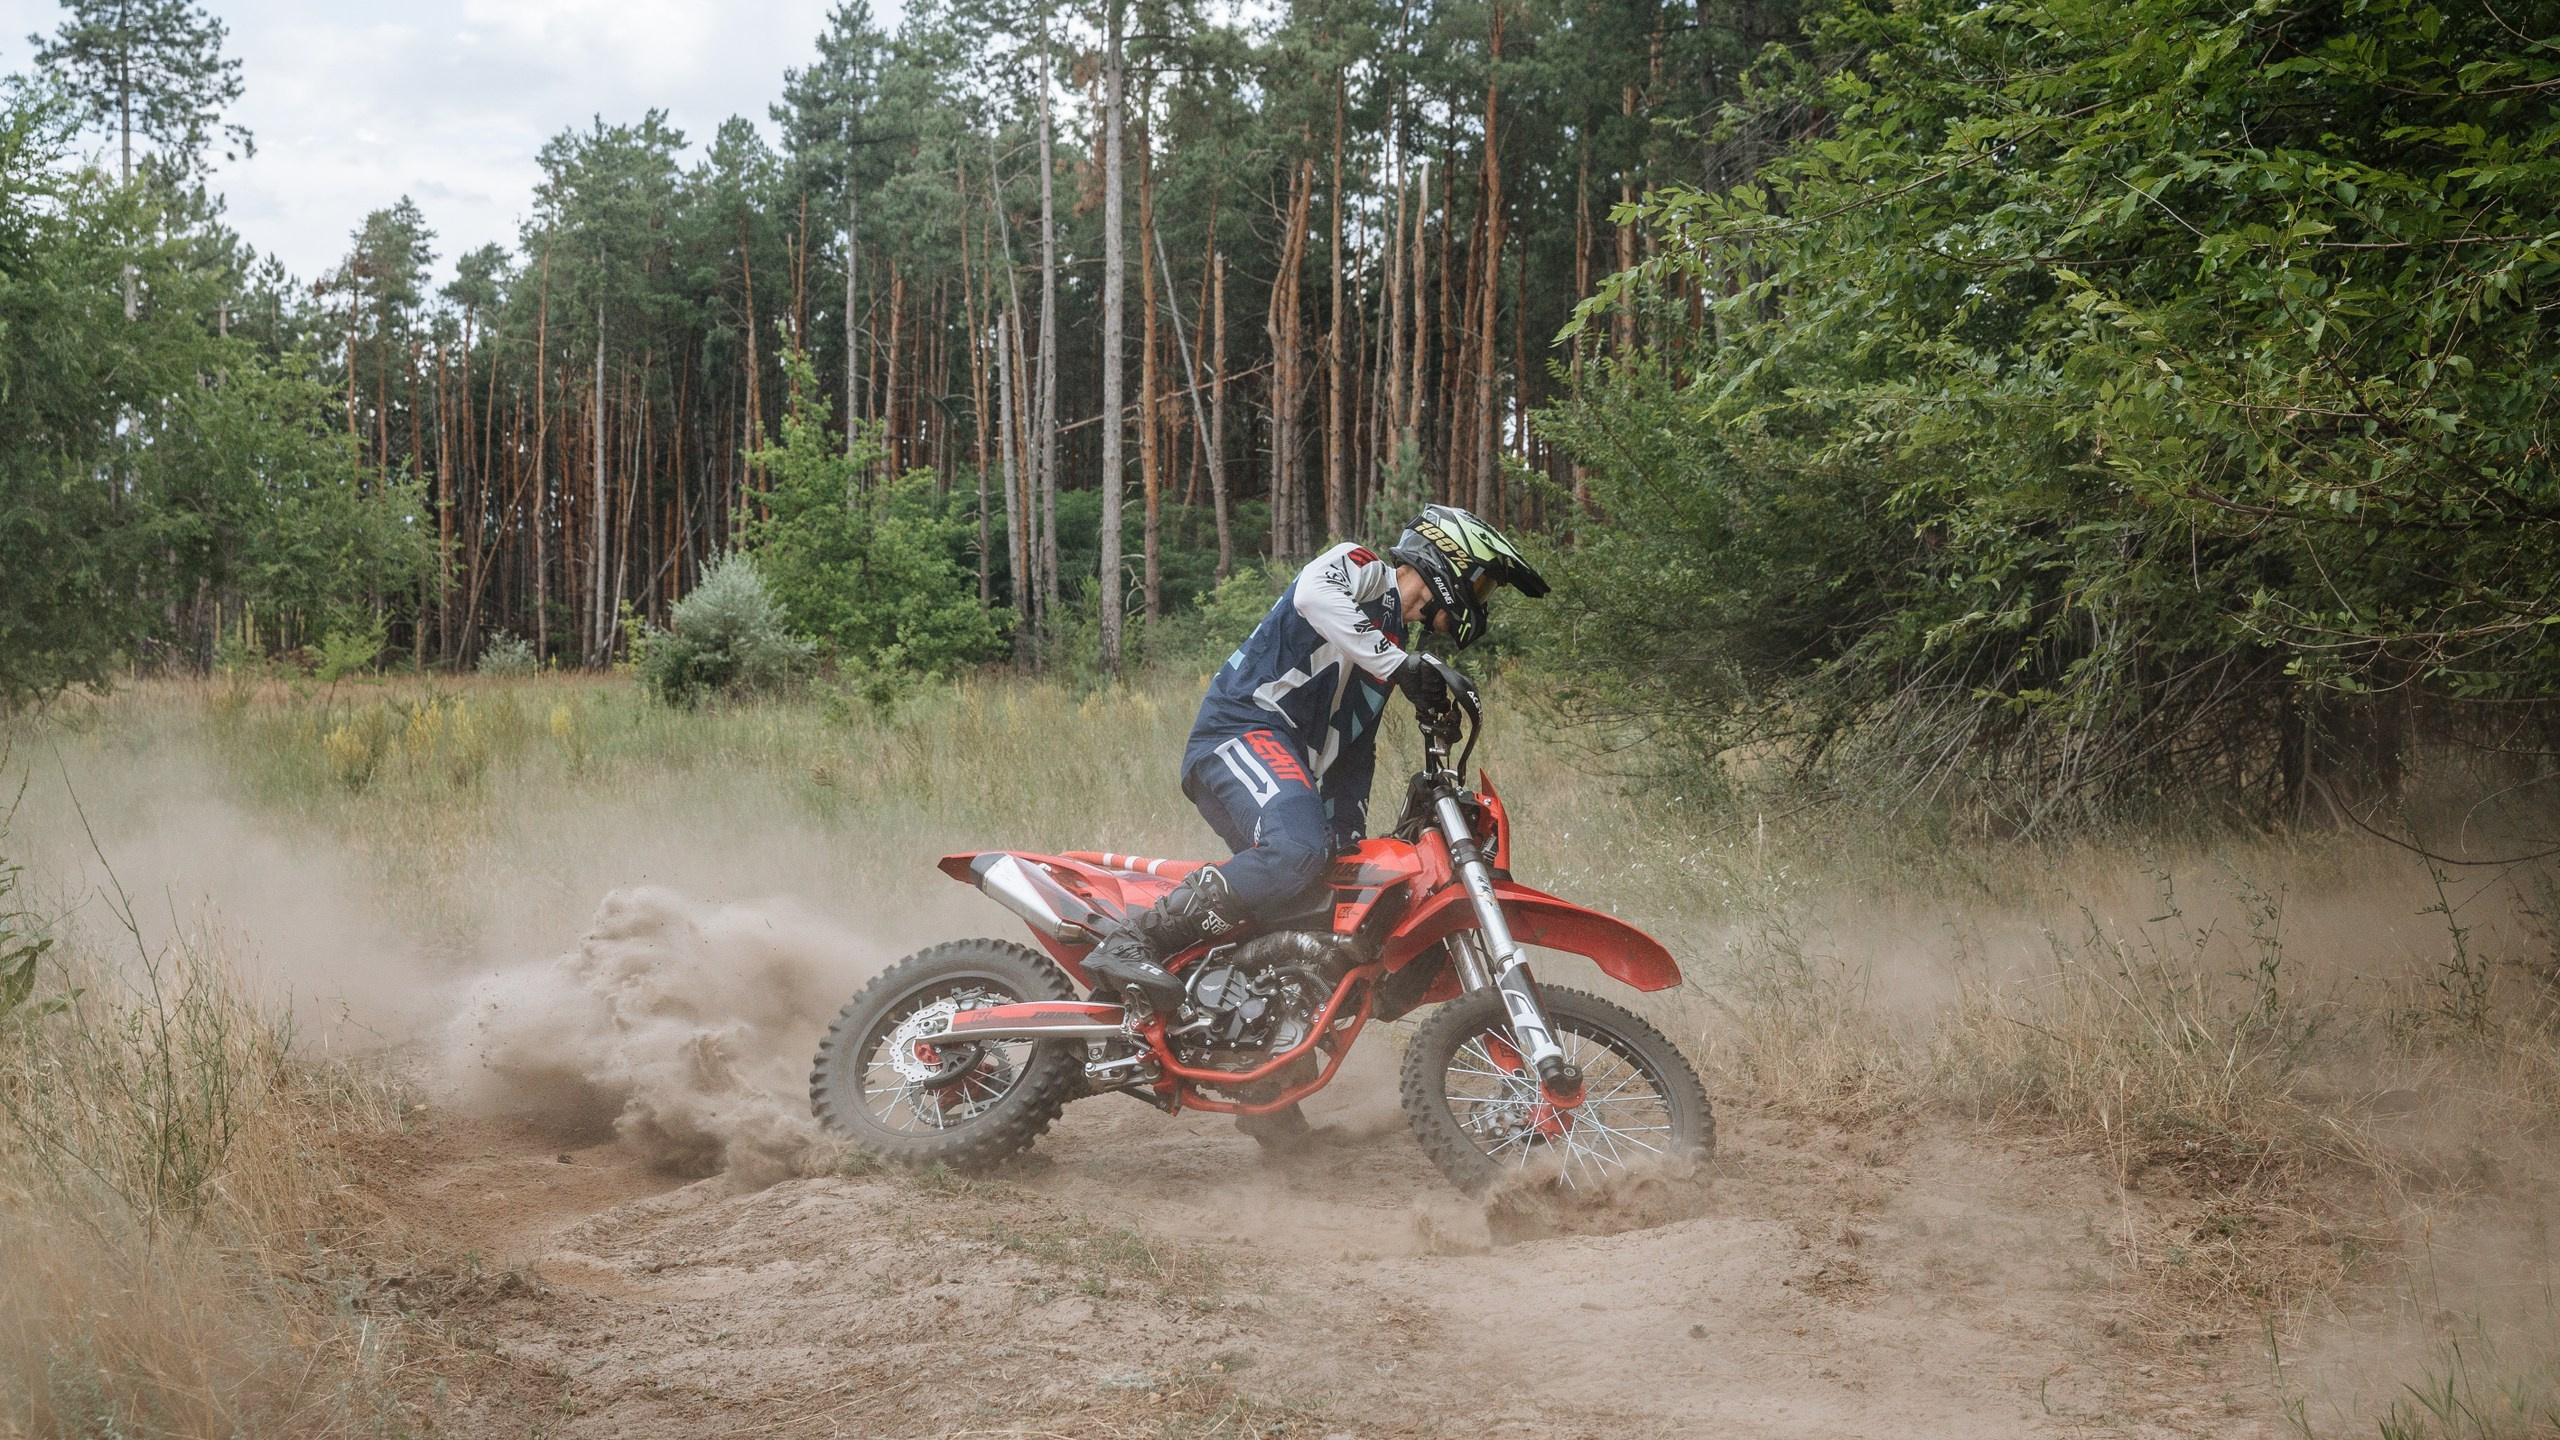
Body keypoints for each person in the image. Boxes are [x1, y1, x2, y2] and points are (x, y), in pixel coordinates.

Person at [1083, 504, 1549, 1011]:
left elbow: (1354, 758)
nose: (1480, 602)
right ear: (1449, 560)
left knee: (1315, 898)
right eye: (1481, 587)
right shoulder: (1364, 570)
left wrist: (1347, 847)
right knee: (1296, 851)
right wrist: (1399, 665)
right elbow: (1311, 593)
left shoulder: (1388, 648)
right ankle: (1133, 940)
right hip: (1238, 729)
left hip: (1285, 763)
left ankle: (1233, 1024)